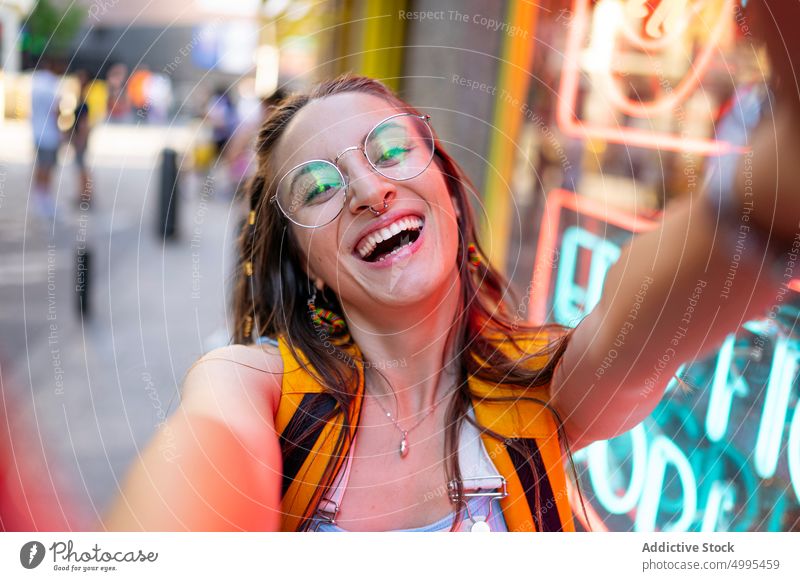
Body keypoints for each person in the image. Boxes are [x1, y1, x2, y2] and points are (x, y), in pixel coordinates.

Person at [105, 1, 800, 532]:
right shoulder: (253, 389)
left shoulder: (547, 392)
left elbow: (654, 306)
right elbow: (205, 455)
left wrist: (778, 166)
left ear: (446, 190)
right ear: (307, 263)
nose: (370, 191)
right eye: (317, 188)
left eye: (391, 150)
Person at [30, 58, 62, 220]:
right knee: (47, 167)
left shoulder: (36, 81)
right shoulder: (52, 84)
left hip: (37, 132)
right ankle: (45, 199)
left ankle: (39, 197)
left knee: (41, 165)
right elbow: (56, 111)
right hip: (49, 133)